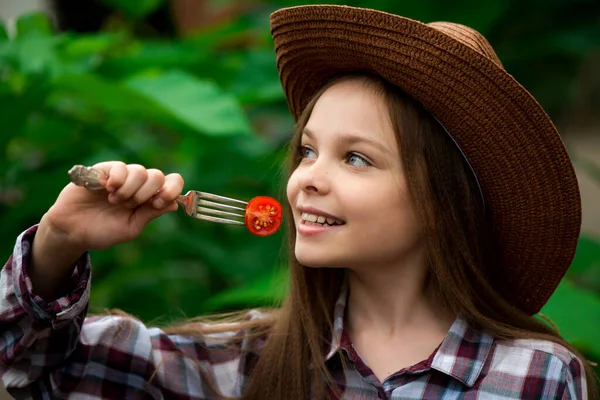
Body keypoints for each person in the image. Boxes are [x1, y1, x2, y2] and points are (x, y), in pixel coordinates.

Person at [1, 4, 597, 400]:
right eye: (308, 151)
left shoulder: (534, 375)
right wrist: (60, 240)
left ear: (445, 200)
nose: (306, 179)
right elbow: (35, 370)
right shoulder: (244, 366)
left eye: (356, 158)